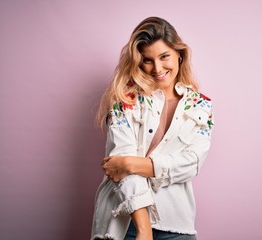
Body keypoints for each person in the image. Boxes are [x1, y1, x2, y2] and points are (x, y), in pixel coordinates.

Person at [91, 16, 214, 240]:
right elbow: (120, 169)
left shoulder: (201, 105)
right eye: (147, 60)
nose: (157, 68)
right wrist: (144, 228)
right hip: (124, 222)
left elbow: (192, 163)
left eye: (164, 56)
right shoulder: (124, 100)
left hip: (177, 225)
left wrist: (133, 163)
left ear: (179, 54)